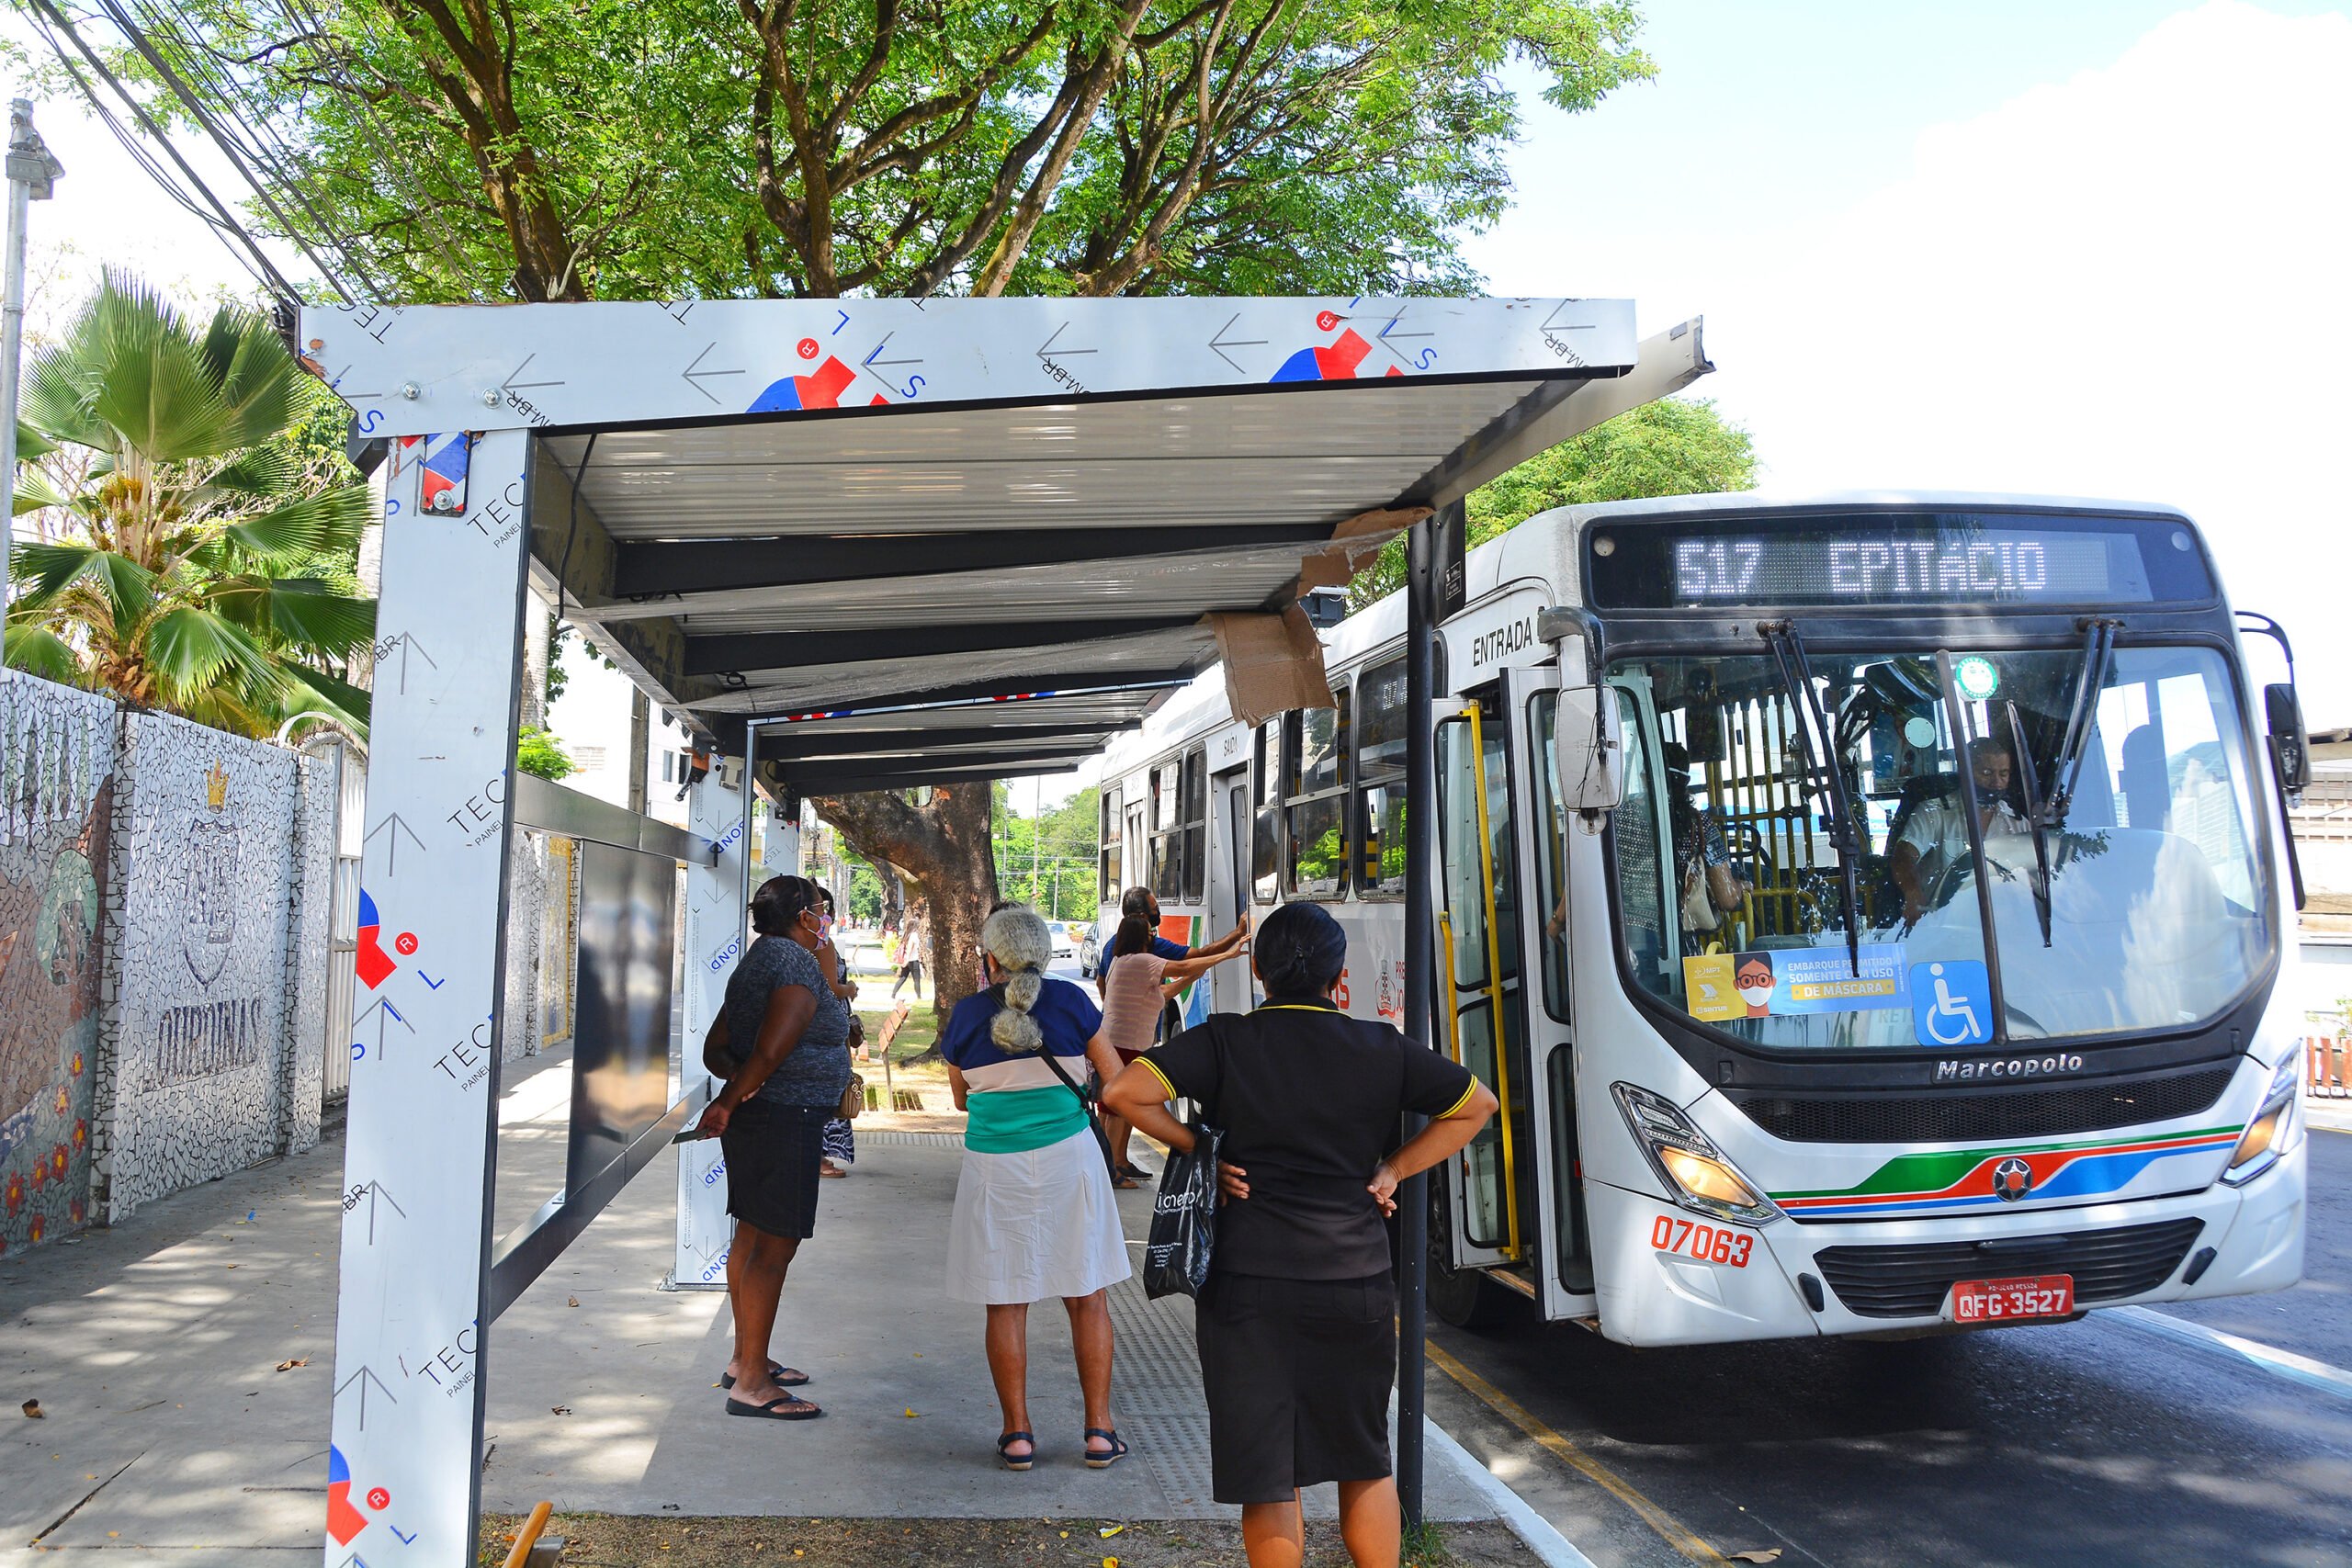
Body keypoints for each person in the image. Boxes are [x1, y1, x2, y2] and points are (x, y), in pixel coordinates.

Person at [1102, 902, 1498, 1568]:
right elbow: (1476, 1105)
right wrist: (1392, 1169)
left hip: (1248, 1290)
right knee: (1364, 1459)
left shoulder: (1225, 1040)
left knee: (1268, 1470)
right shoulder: (1381, 1046)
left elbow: (1122, 1093)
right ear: (1337, 977)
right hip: (1356, 1284)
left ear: (1258, 971)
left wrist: (1198, 1143)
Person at [941, 904, 1133, 1472]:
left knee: (1005, 1302)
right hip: (1069, 1162)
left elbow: (959, 1098)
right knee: (1087, 1295)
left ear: (992, 958)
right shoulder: (1073, 1003)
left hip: (993, 1170)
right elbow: (1117, 1082)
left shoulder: (965, 1016)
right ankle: (1099, 1432)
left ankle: (1017, 1434)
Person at [692, 874, 853, 1420]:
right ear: (804, 916)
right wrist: (735, 1097)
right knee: (774, 1249)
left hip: (765, 1118)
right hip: (785, 1121)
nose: (825, 918)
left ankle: (745, 1360)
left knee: (753, 1237)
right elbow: (774, 1046)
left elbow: (719, 1048)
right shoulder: (791, 964)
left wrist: (738, 1090)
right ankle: (753, 1385)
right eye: (820, 910)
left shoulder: (764, 957)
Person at [1097, 910, 1247, 1186]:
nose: (1153, 936)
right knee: (1117, 1114)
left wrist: (1193, 976)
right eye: (1149, 932)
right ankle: (1113, 1171)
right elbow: (1182, 967)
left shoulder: (1122, 961)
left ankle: (1114, 1164)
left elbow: (1164, 993)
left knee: (1111, 1110)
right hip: (1126, 1044)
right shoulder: (1143, 960)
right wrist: (1227, 956)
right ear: (1140, 937)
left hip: (1118, 1041)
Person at [1891, 736, 2029, 928]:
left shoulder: (2019, 824)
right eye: (1987, 773)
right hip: (1944, 924)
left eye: (2003, 774)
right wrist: (1913, 893)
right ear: (1965, 771)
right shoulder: (1933, 813)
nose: (1996, 782)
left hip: (2005, 925)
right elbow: (1903, 857)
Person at [812, 887, 860, 1179]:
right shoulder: (820, 944)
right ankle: (816, 1155)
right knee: (827, 1090)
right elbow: (831, 987)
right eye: (823, 908)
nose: (826, 914)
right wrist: (850, 989)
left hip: (830, 1025)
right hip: (825, 1028)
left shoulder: (822, 942)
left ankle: (819, 1153)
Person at [1118, 885, 1249, 966]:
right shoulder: (1152, 948)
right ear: (1143, 917)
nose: (1158, 912)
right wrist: (1238, 933)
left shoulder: (1112, 946)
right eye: (1155, 909)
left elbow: (1102, 983)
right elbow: (1197, 957)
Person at [891, 901, 929, 999]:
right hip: (912, 960)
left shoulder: (906, 935)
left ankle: (893, 994)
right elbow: (910, 949)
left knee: (903, 978)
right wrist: (906, 960)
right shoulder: (913, 936)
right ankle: (919, 996)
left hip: (908, 960)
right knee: (916, 979)